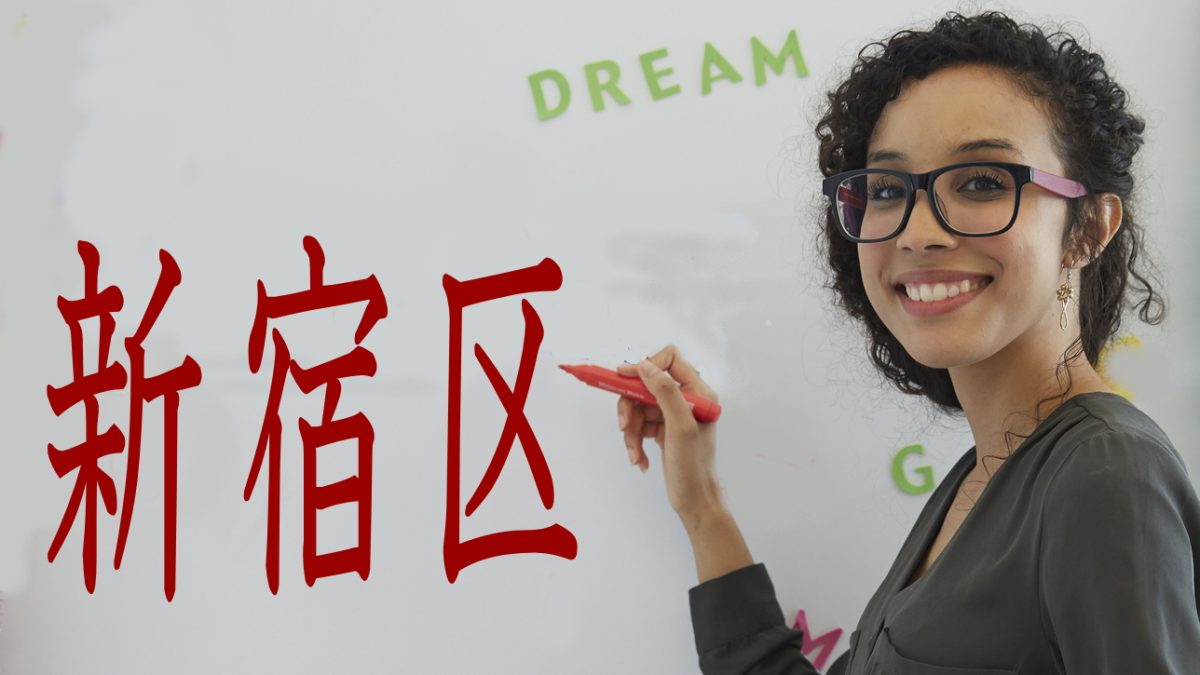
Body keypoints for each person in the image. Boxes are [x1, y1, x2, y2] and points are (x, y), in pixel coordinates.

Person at [611, 10, 1200, 674]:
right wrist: (701, 503)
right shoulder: (986, 472)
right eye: (888, 189)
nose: (918, 233)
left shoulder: (1106, 472)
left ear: (1088, 227)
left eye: (982, 181)